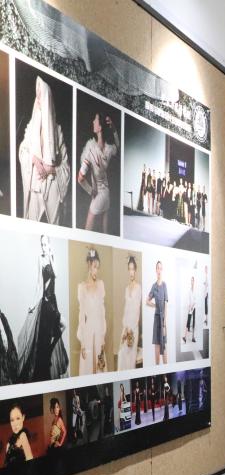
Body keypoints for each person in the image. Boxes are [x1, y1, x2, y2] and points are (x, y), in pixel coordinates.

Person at [17, 235, 69, 382]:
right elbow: (39, 284)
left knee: (62, 325)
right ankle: (44, 361)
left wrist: (51, 256)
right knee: (45, 338)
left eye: (46, 244)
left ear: (49, 245)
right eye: (42, 244)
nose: (43, 247)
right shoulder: (40, 259)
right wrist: (33, 304)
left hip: (53, 301)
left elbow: (56, 274)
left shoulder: (52, 257)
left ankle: (48, 352)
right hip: (46, 303)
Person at [19, 76, 70, 224]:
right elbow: (23, 150)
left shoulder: (57, 131)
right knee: (31, 224)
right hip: (35, 184)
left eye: (41, 96)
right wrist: (34, 159)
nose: (38, 100)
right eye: (37, 96)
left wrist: (50, 169)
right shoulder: (31, 127)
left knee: (54, 225)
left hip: (52, 186)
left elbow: (65, 167)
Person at [77, 112, 119, 231]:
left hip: (99, 195)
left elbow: (80, 178)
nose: (93, 121)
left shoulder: (90, 150)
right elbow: (118, 145)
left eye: (95, 120)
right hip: (107, 193)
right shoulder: (109, 149)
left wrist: (91, 191)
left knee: (87, 230)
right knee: (105, 232)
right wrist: (113, 128)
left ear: (99, 128)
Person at [76, 248, 107, 375]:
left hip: (99, 330)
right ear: (89, 265)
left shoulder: (101, 285)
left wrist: (103, 336)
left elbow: (102, 313)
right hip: (88, 331)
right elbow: (81, 316)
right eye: (94, 267)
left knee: (99, 365)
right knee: (88, 367)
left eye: (98, 267)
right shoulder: (82, 287)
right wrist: (83, 343)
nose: (96, 271)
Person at [118, 256, 142, 370]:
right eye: (129, 269)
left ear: (135, 270)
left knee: (130, 357)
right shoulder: (127, 289)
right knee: (121, 353)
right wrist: (125, 328)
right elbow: (126, 310)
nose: (131, 272)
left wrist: (131, 329)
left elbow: (137, 310)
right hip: (126, 326)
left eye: (133, 269)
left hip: (133, 328)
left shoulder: (138, 287)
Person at [146, 260, 169, 364]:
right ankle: (157, 369)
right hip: (156, 319)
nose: (159, 270)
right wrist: (155, 305)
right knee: (157, 345)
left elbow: (166, 305)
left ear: (162, 270)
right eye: (157, 268)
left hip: (163, 319)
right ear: (156, 270)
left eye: (160, 268)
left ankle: (166, 370)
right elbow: (147, 301)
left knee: (164, 345)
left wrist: (164, 323)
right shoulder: (154, 286)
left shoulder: (164, 285)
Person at [183, 275, 196, 344]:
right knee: (188, 321)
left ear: (194, 281)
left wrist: (192, 306)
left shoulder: (195, 290)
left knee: (193, 322)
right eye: (191, 280)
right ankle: (185, 337)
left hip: (194, 308)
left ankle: (193, 337)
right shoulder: (189, 290)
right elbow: (189, 299)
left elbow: (195, 300)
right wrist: (189, 306)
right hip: (190, 308)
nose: (192, 282)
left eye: (192, 280)